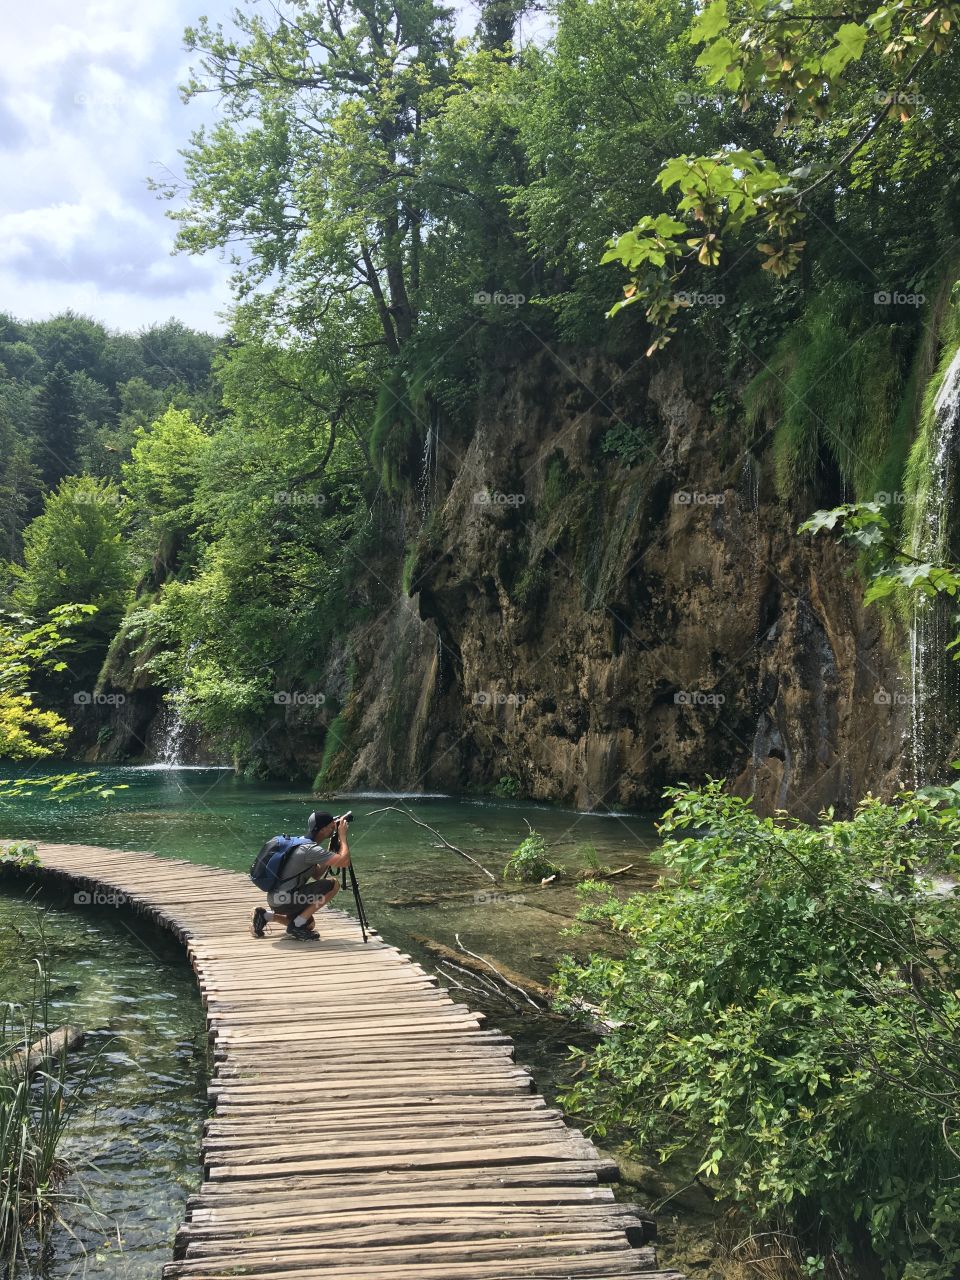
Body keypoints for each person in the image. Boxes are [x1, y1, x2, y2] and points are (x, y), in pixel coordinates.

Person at [251, 810, 350, 941]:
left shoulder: (300, 842)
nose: (334, 829)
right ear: (322, 830)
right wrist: (342, 837)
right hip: (285, 900)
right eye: (331, 827)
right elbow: (344, 862)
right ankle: (296, 926)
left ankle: (265, 916)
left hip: (276, 899)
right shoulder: (311, 850)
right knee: (334, 884)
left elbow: (317, 875)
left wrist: (330, 852)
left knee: (309, 925)